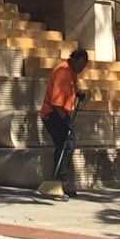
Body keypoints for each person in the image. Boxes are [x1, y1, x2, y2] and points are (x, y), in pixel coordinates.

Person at [41, 46, 89, 196]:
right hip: (54, 113)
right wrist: (66, 121)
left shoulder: (71, 72)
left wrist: (79, 93)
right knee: (67, 144)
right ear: (77, 60)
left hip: (60, 113)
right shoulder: (63, 73)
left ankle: (59, 180)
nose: (82, 69)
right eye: (82, 65)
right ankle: (59, 180)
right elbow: (56, 102)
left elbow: (73, 88)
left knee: (64, 145)